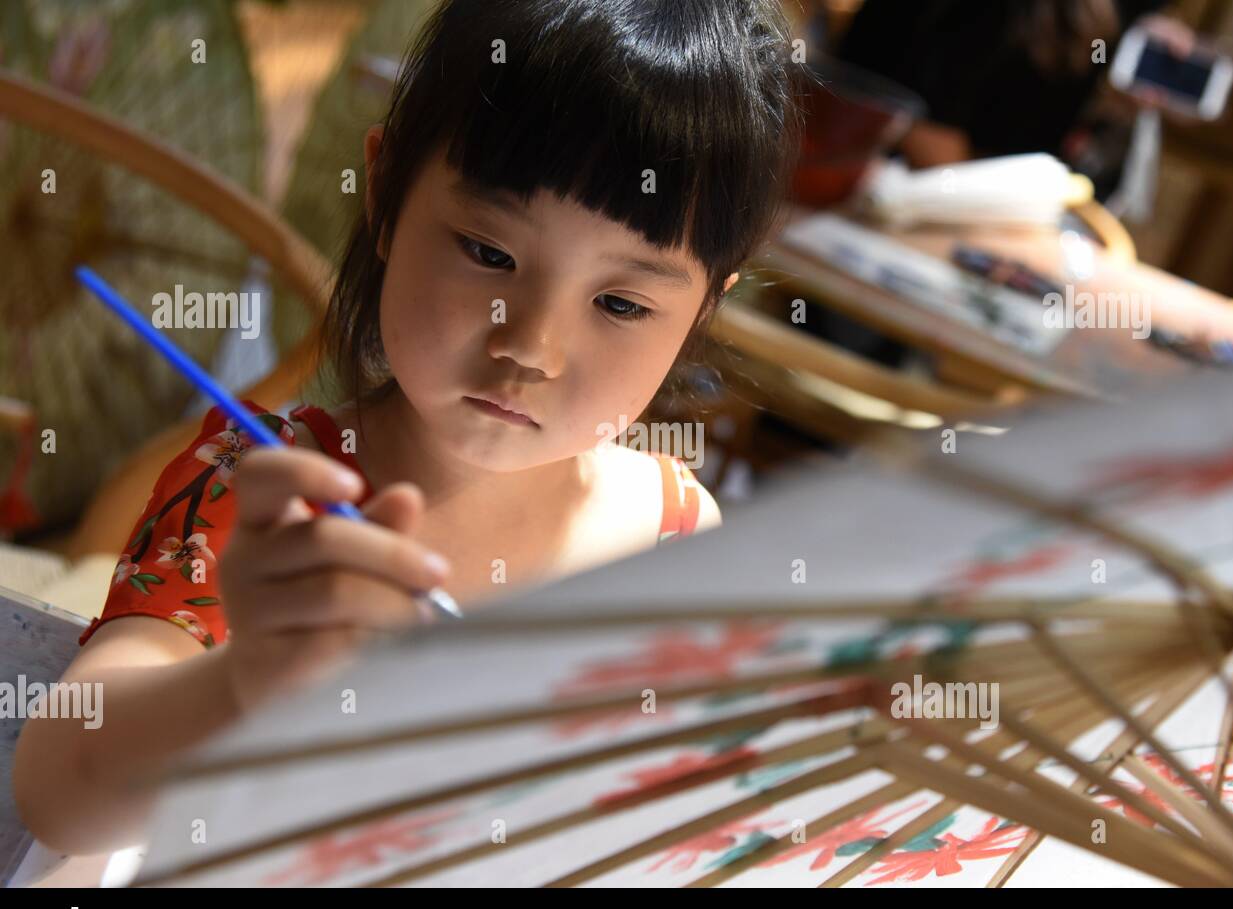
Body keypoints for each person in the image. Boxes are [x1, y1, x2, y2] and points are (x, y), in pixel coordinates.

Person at [13, 0, 805, 856]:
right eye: (489, 253)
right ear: (385, 193)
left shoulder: (680, 538)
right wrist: (243, 684)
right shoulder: (262, 495)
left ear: (699, 313)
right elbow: (59, 791)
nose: (531, 345)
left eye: (621, 302)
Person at [834, 0, 1170, 168]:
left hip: (976, 192)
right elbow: (928, 136)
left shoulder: (1106, 17)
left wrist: (1107, 95)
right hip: (866, 171)